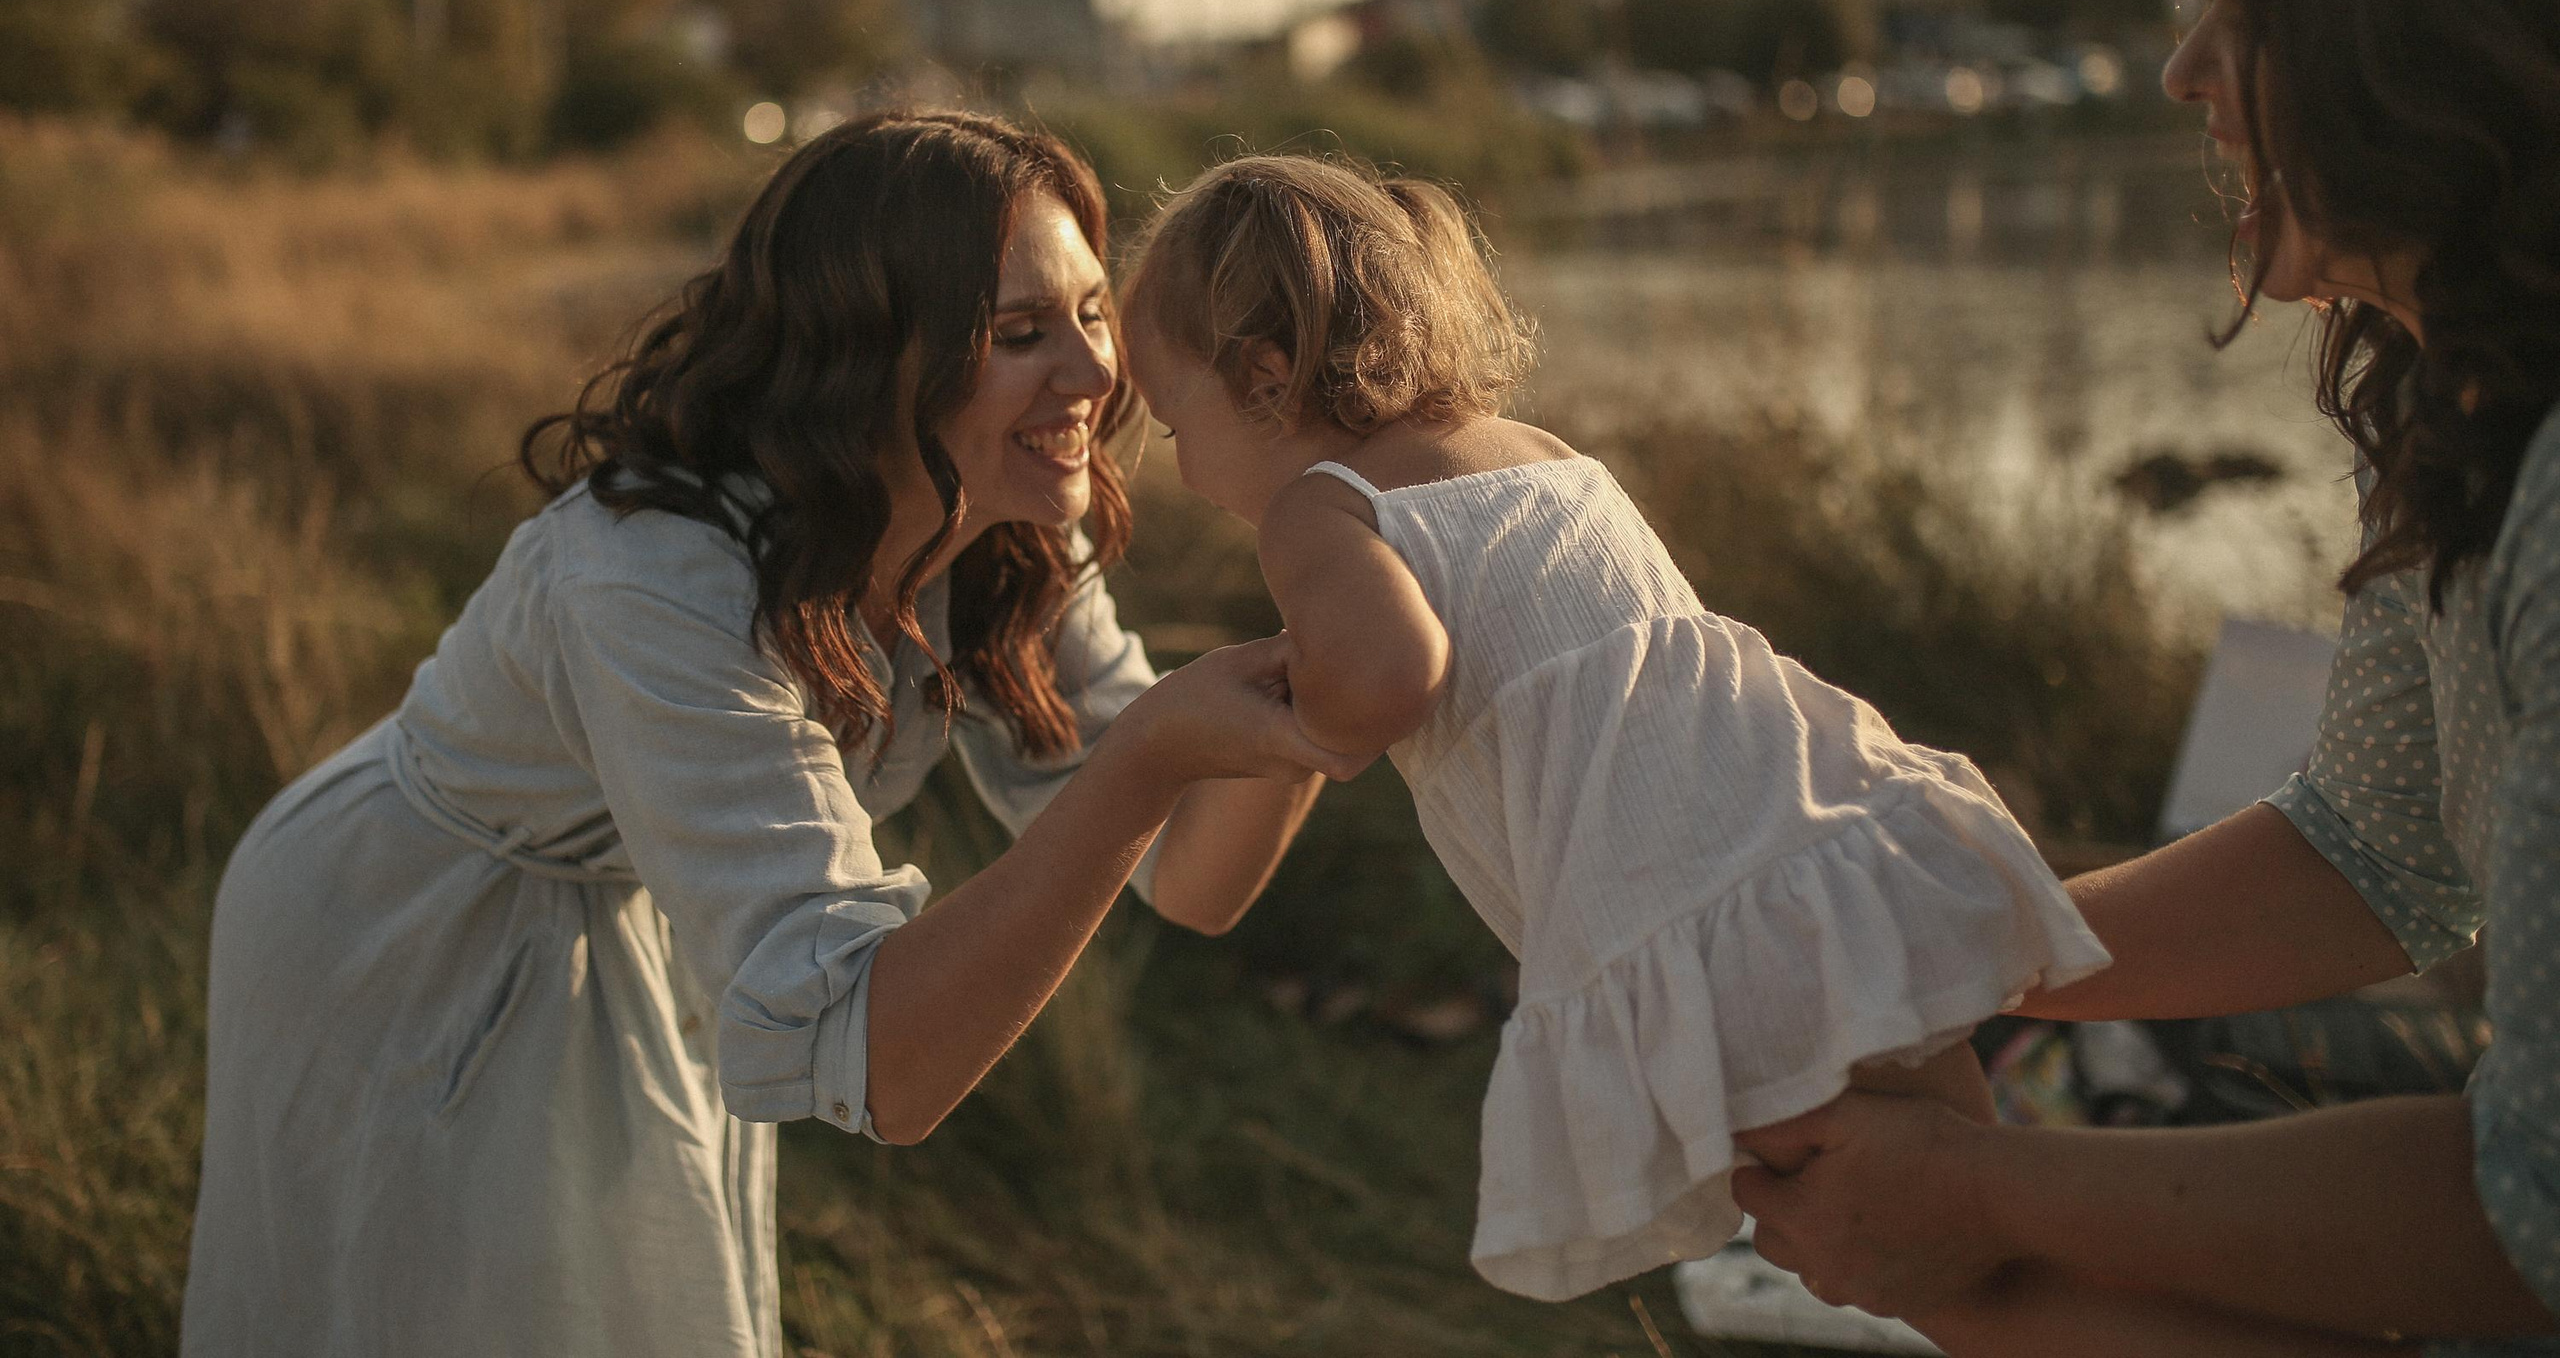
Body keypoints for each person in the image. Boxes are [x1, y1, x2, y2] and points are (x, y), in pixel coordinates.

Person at [181, 112, 1358, 1357]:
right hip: (407, 933)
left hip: (645, 923)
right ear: (868, 355)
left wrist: (1336, 643)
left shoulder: (1014, 529)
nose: (1090, 376)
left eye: (1090, 313)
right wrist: (1146, 759)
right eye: (1017, 334)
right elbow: (884, 1066)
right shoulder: (654, 577)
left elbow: (1194, 875)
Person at [1727, 0, 2560, 1355]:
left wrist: (1987, 1197)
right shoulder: (2471, 415)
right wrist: (1948, 967)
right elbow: (2373, 848)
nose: (2184, 72)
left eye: (2243, 15)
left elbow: (2530, 1222)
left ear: (2431, 35)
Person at [1115, 152, 2109, 1301]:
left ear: (1264, 376)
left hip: (1685, 912)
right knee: (1991, 1200)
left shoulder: (1318, 509)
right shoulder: (1536, 452)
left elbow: (1391, 677)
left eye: (1170, 418)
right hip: (1814, 860)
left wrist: (1301, 708)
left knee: (1924, 1273)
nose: (1178, 468)